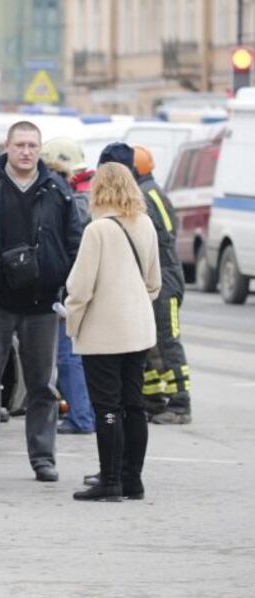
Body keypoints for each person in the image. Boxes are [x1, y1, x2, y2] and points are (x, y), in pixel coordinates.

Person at [0, 121, 83, 484]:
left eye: (32, 145)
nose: (26, 151)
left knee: (43, 386)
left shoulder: (57, 190)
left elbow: (74, 242)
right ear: (7, 147)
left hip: (42, 303)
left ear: (39, 149)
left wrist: (63, 284)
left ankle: (43, 459)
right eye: (20, 144)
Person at [65, 161, 162, 501]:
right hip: (138, 329)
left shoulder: (97, 230)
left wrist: (72, 322)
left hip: (103, 332)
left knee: (106, 405)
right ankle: (131, 479)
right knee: (134, 405)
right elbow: (154, 283)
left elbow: (80, 288)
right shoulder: (146, 224)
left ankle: (109, 482)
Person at [132, 144, 192, 425]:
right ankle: (153, 399)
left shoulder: (147, 194)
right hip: (159, 275)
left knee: (167, 341)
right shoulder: (150, 191)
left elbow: (161, 238)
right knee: (150, 342)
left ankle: (180, 403)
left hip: (164, 278)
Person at [40, 137, 96, 436]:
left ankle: (82, 417)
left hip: (72, 289)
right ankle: (86, 414)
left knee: (68, 354)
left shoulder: (73, 201)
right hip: (83, 287)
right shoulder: (87, 195)